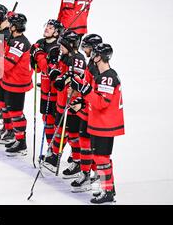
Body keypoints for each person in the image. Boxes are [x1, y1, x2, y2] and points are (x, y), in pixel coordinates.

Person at [70, 43, 124, 204]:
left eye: (94, 53)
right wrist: (82, 100)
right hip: (100, 123)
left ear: (100, 57)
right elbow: (95, 100)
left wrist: (85, 90)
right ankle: (108, 188)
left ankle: (107, 192)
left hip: (105, 125)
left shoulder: (107, 77)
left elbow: (101, 103)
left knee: (101, 159)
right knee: (102, 158)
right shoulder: (103, 76)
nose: (91, 56)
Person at [43, 30, 87, 177]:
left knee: (73, 135)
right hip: (62, 102)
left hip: (73, 104)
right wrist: (54, 72)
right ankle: (55, 156)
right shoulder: (65, 57)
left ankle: (77, 161)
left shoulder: (78, 59)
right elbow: (59, 75)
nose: (60, 47)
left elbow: (75, 79)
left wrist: (64, 79)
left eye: (63, 44)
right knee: (59, 130)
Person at [0, 13, 33, 156]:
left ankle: (21, 142)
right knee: (4, 106)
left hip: (17, 82)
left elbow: (8, 64)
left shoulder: (20, 43)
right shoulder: (13, 38)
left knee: (16, 113)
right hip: (7, 80)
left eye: (10, 24)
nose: (8, 26)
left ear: (15, 27)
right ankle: (10, 132)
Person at [69, 33, 103, 193]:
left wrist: (83, 97)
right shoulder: (91, 63)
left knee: (92, 146)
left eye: (86, 46)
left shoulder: (99, 68)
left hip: (93, 112)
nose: (84, 49)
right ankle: (86, 173)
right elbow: (87, 84)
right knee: (84, 141)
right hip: (86, 109)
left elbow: (96, 92)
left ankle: (94, 176)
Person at [30, 19, 63, 145]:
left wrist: (38, 54)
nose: (46, 28)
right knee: (46, 119)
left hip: (56, 91)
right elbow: (36, 70)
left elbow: (48, 69)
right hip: (45, 89)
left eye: (50, 27)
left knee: (57, 123)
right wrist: (32, 59)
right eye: (47, 26)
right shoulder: (40, 42)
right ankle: (50, 148)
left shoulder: (58, 48)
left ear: (56, 33)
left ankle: (65, 151)